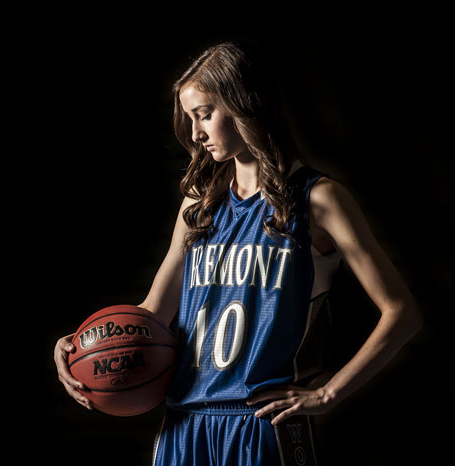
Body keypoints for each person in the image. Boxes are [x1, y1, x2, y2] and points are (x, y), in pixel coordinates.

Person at [53, 41, 422, 466]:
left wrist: (328, 392)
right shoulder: (198, 206)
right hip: (184, 424)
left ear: (245, 105)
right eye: (189, 119)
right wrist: (80, 346)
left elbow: (402, 312)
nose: (195, 133)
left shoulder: (317, 200)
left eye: (204, 114)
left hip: (261, 425)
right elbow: (153, 315)